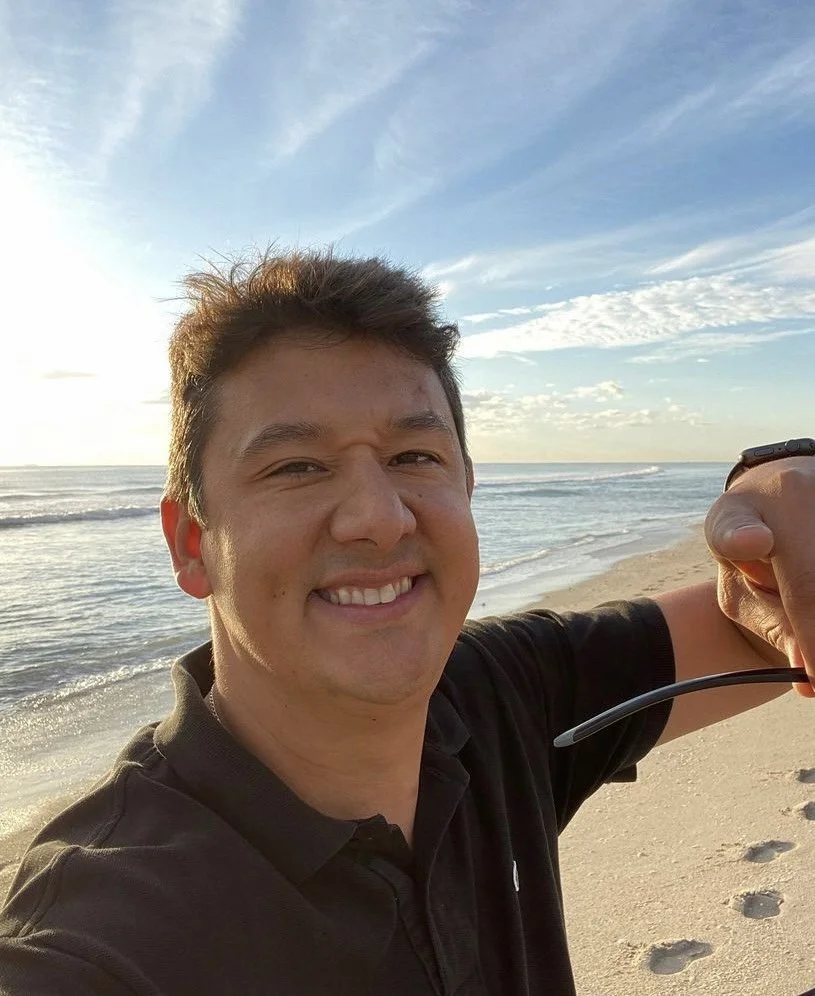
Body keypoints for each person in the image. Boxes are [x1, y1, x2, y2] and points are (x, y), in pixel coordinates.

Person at [0, 248, 813, 996]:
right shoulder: (103, 935)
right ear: (190, 544)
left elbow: (764, 621)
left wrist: (781, 477)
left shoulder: (494, 697)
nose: (378, 518)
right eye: (296, 466)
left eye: (413, 457)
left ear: (465, 488)